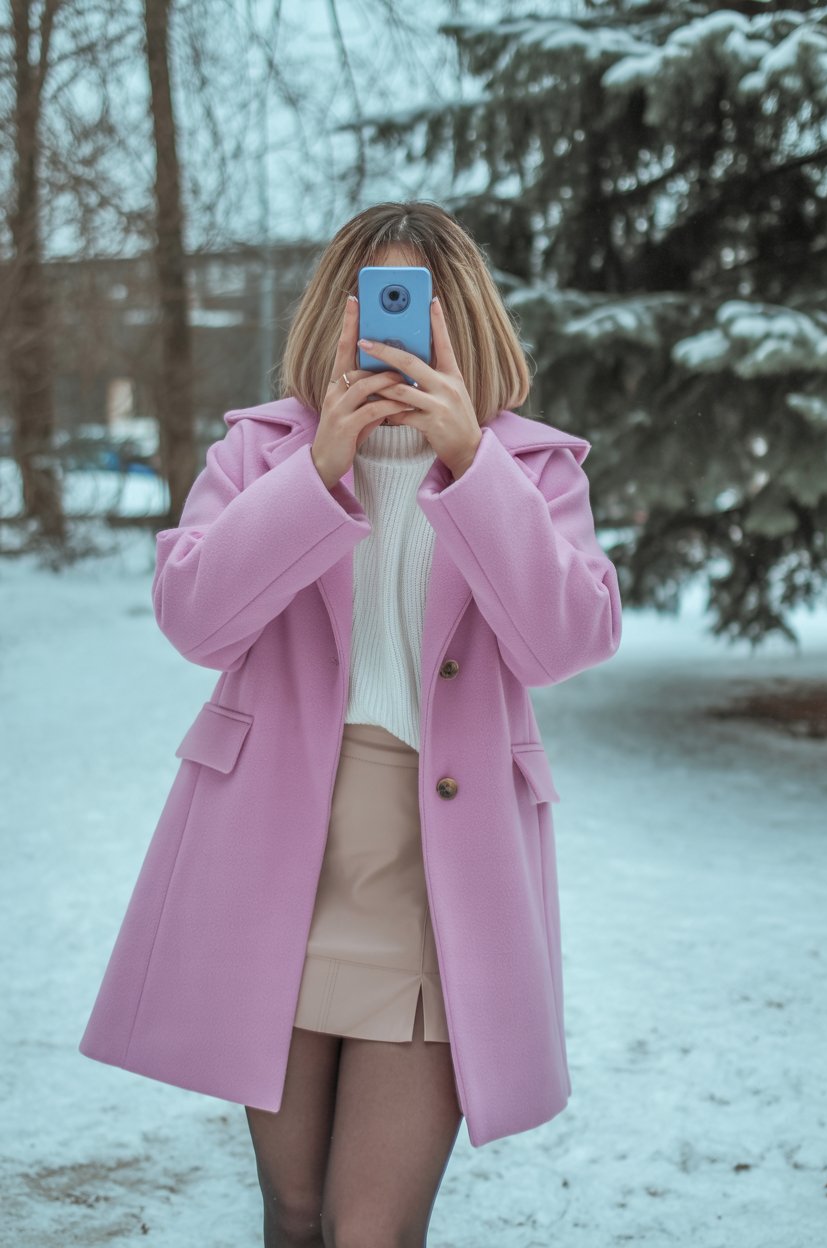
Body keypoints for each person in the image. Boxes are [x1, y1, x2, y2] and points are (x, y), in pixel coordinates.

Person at [78, 199, 622, 1246]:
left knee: (368, 1227)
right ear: (337, 314)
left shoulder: (533, 468)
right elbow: (196, 620)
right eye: (376, 303)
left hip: (439, 882)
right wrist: (316, 464)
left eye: (417, 304)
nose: (395, 327)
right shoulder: (261, 452)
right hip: (278, 864)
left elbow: (564, 641)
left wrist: (473, 461)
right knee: (290, 1213)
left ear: (459, 318)